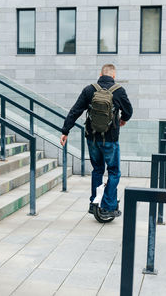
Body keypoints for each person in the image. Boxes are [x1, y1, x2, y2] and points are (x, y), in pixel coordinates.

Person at [60, 64, 133, 218]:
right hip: (110, 139)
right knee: (113, 171)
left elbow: (75, 110)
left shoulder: (89, 89)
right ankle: (107, 206)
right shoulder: (118, 90)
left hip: (92, 138)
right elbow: (129, 111)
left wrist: (65, 131)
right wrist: (123, 119)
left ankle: (94, 203)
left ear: (100, 74)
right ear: (113, 76)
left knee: (97, 170)